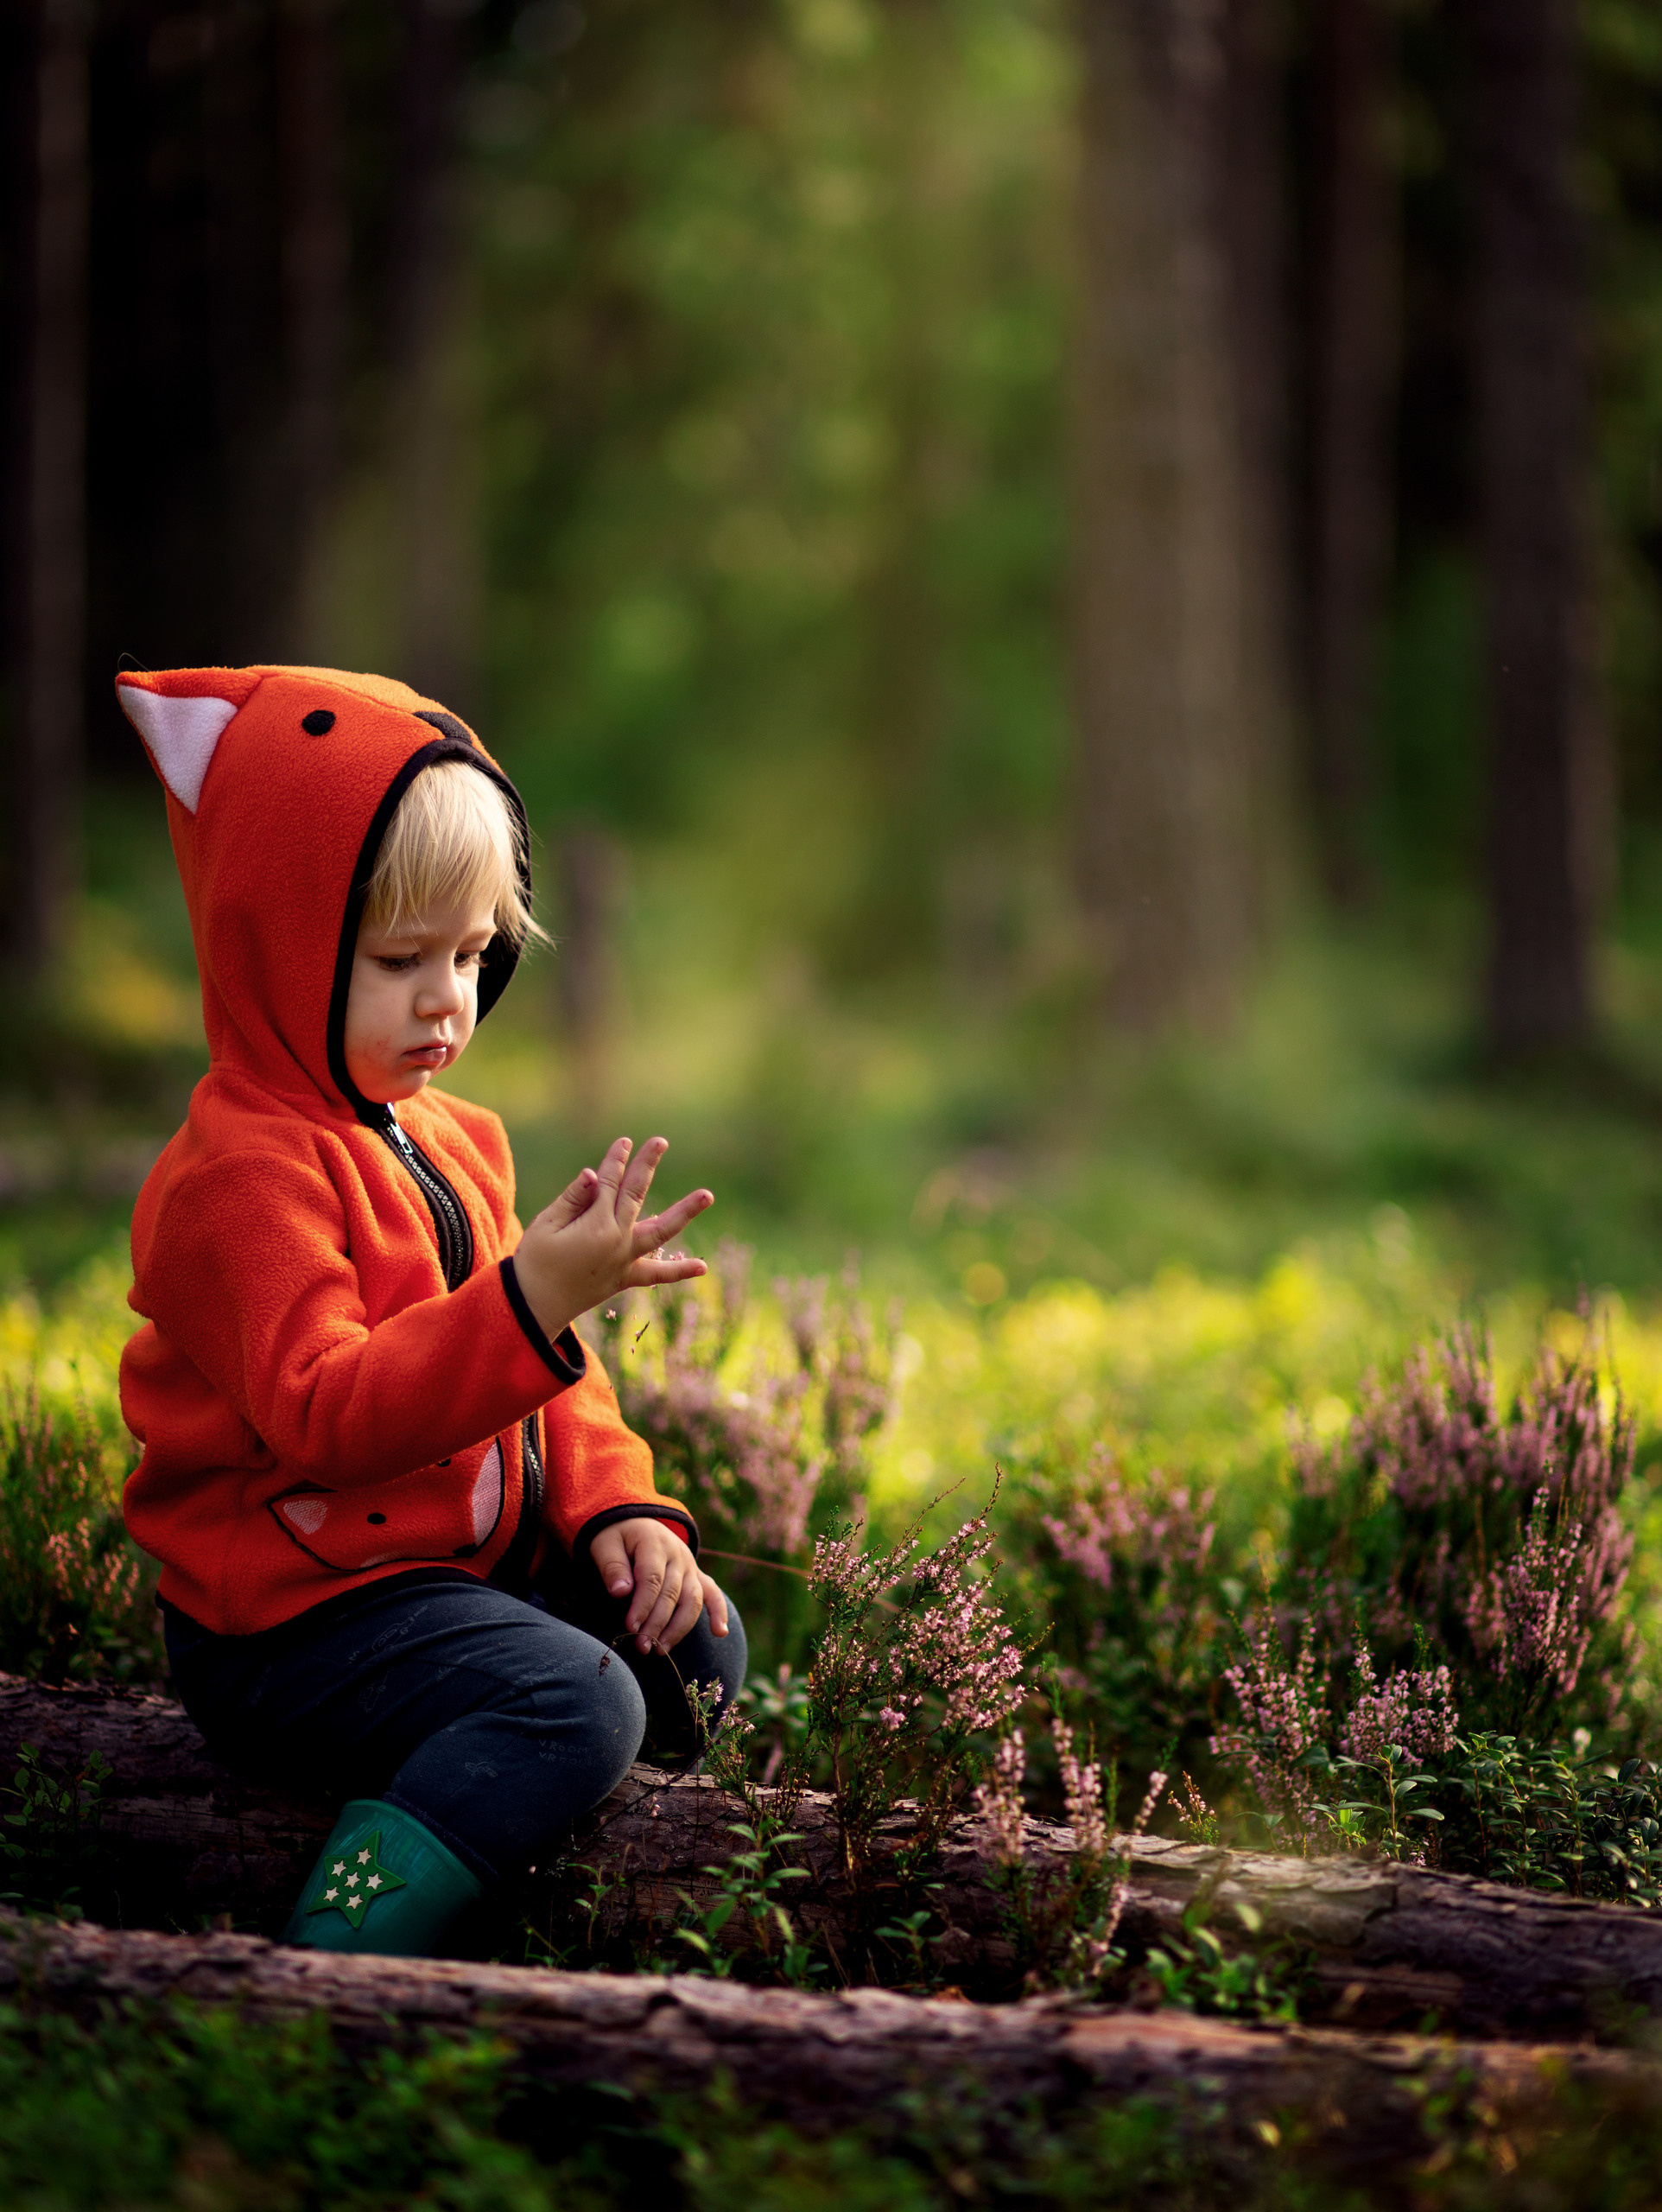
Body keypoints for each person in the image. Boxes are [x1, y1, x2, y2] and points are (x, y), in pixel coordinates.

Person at [114, 663, 744, 1957]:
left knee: (697, 1650)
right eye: (400, 959)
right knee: (582, 1701)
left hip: (442, 1573)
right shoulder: (236, 1183)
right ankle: (336, 1952)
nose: (447, 997)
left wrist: (617, 1510)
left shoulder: (456, 1140)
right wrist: (530, 1300)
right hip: (290, 1621)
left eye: (470, 952)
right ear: (274, 945)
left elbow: (554, 1378)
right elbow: (329, 1416)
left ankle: (515, 1832)